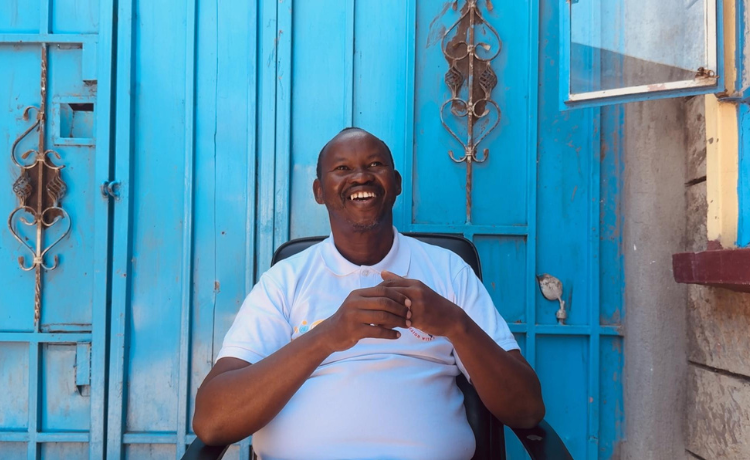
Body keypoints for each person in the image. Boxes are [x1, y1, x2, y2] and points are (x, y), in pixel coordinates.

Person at [193, 128, 545, 459]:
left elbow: (526, 409)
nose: (360, 176)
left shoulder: (449, 271)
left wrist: (455, 324)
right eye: (342, 168)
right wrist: (328, 336)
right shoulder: (284, 280)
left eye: (374, 165)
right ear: (319, 191)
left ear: (396, 184)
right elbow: (212, 421)